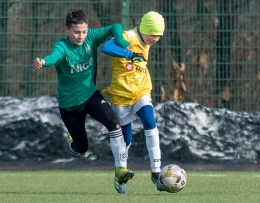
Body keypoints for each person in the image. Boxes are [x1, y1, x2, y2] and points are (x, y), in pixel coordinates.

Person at [33, 9, 140, 194]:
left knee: (115, 124)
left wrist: (122, 43)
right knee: (82, 148)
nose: (81, 36)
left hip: (91, 97)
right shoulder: (62, 46)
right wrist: (43, 61)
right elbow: (53, 57)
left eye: (83, 31)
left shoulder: (91, 36)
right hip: (70, 107)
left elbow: (115, 26)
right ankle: (73, 142)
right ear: (66, 29)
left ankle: (119, 170)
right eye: (76, 32)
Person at [101, 11, 165, 192]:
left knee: (149, 121)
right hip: (121, 95)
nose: (155, 39)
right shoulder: (128, 36)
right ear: (144, 30)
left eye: (159, 36)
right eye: (153, 35)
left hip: (141, 91)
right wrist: (128, 54)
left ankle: (156, 172)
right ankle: (120, 174)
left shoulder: (147, 41)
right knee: (126, 138)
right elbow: (106, 47)